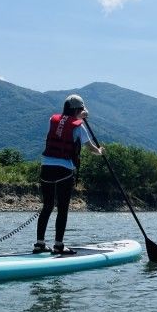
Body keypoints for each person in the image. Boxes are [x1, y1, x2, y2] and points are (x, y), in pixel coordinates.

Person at [34, 94, 103, 255]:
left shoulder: (53, 119)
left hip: (46, 168)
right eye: (81, 110)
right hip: (64, 170)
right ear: (78, 110)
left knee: (47, 206)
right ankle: (58, 245)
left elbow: (61, 128)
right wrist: (99, 152)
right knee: (62, 208)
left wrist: (78, 116)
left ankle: (39, 244)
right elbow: (90, 147)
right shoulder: (78, 126)